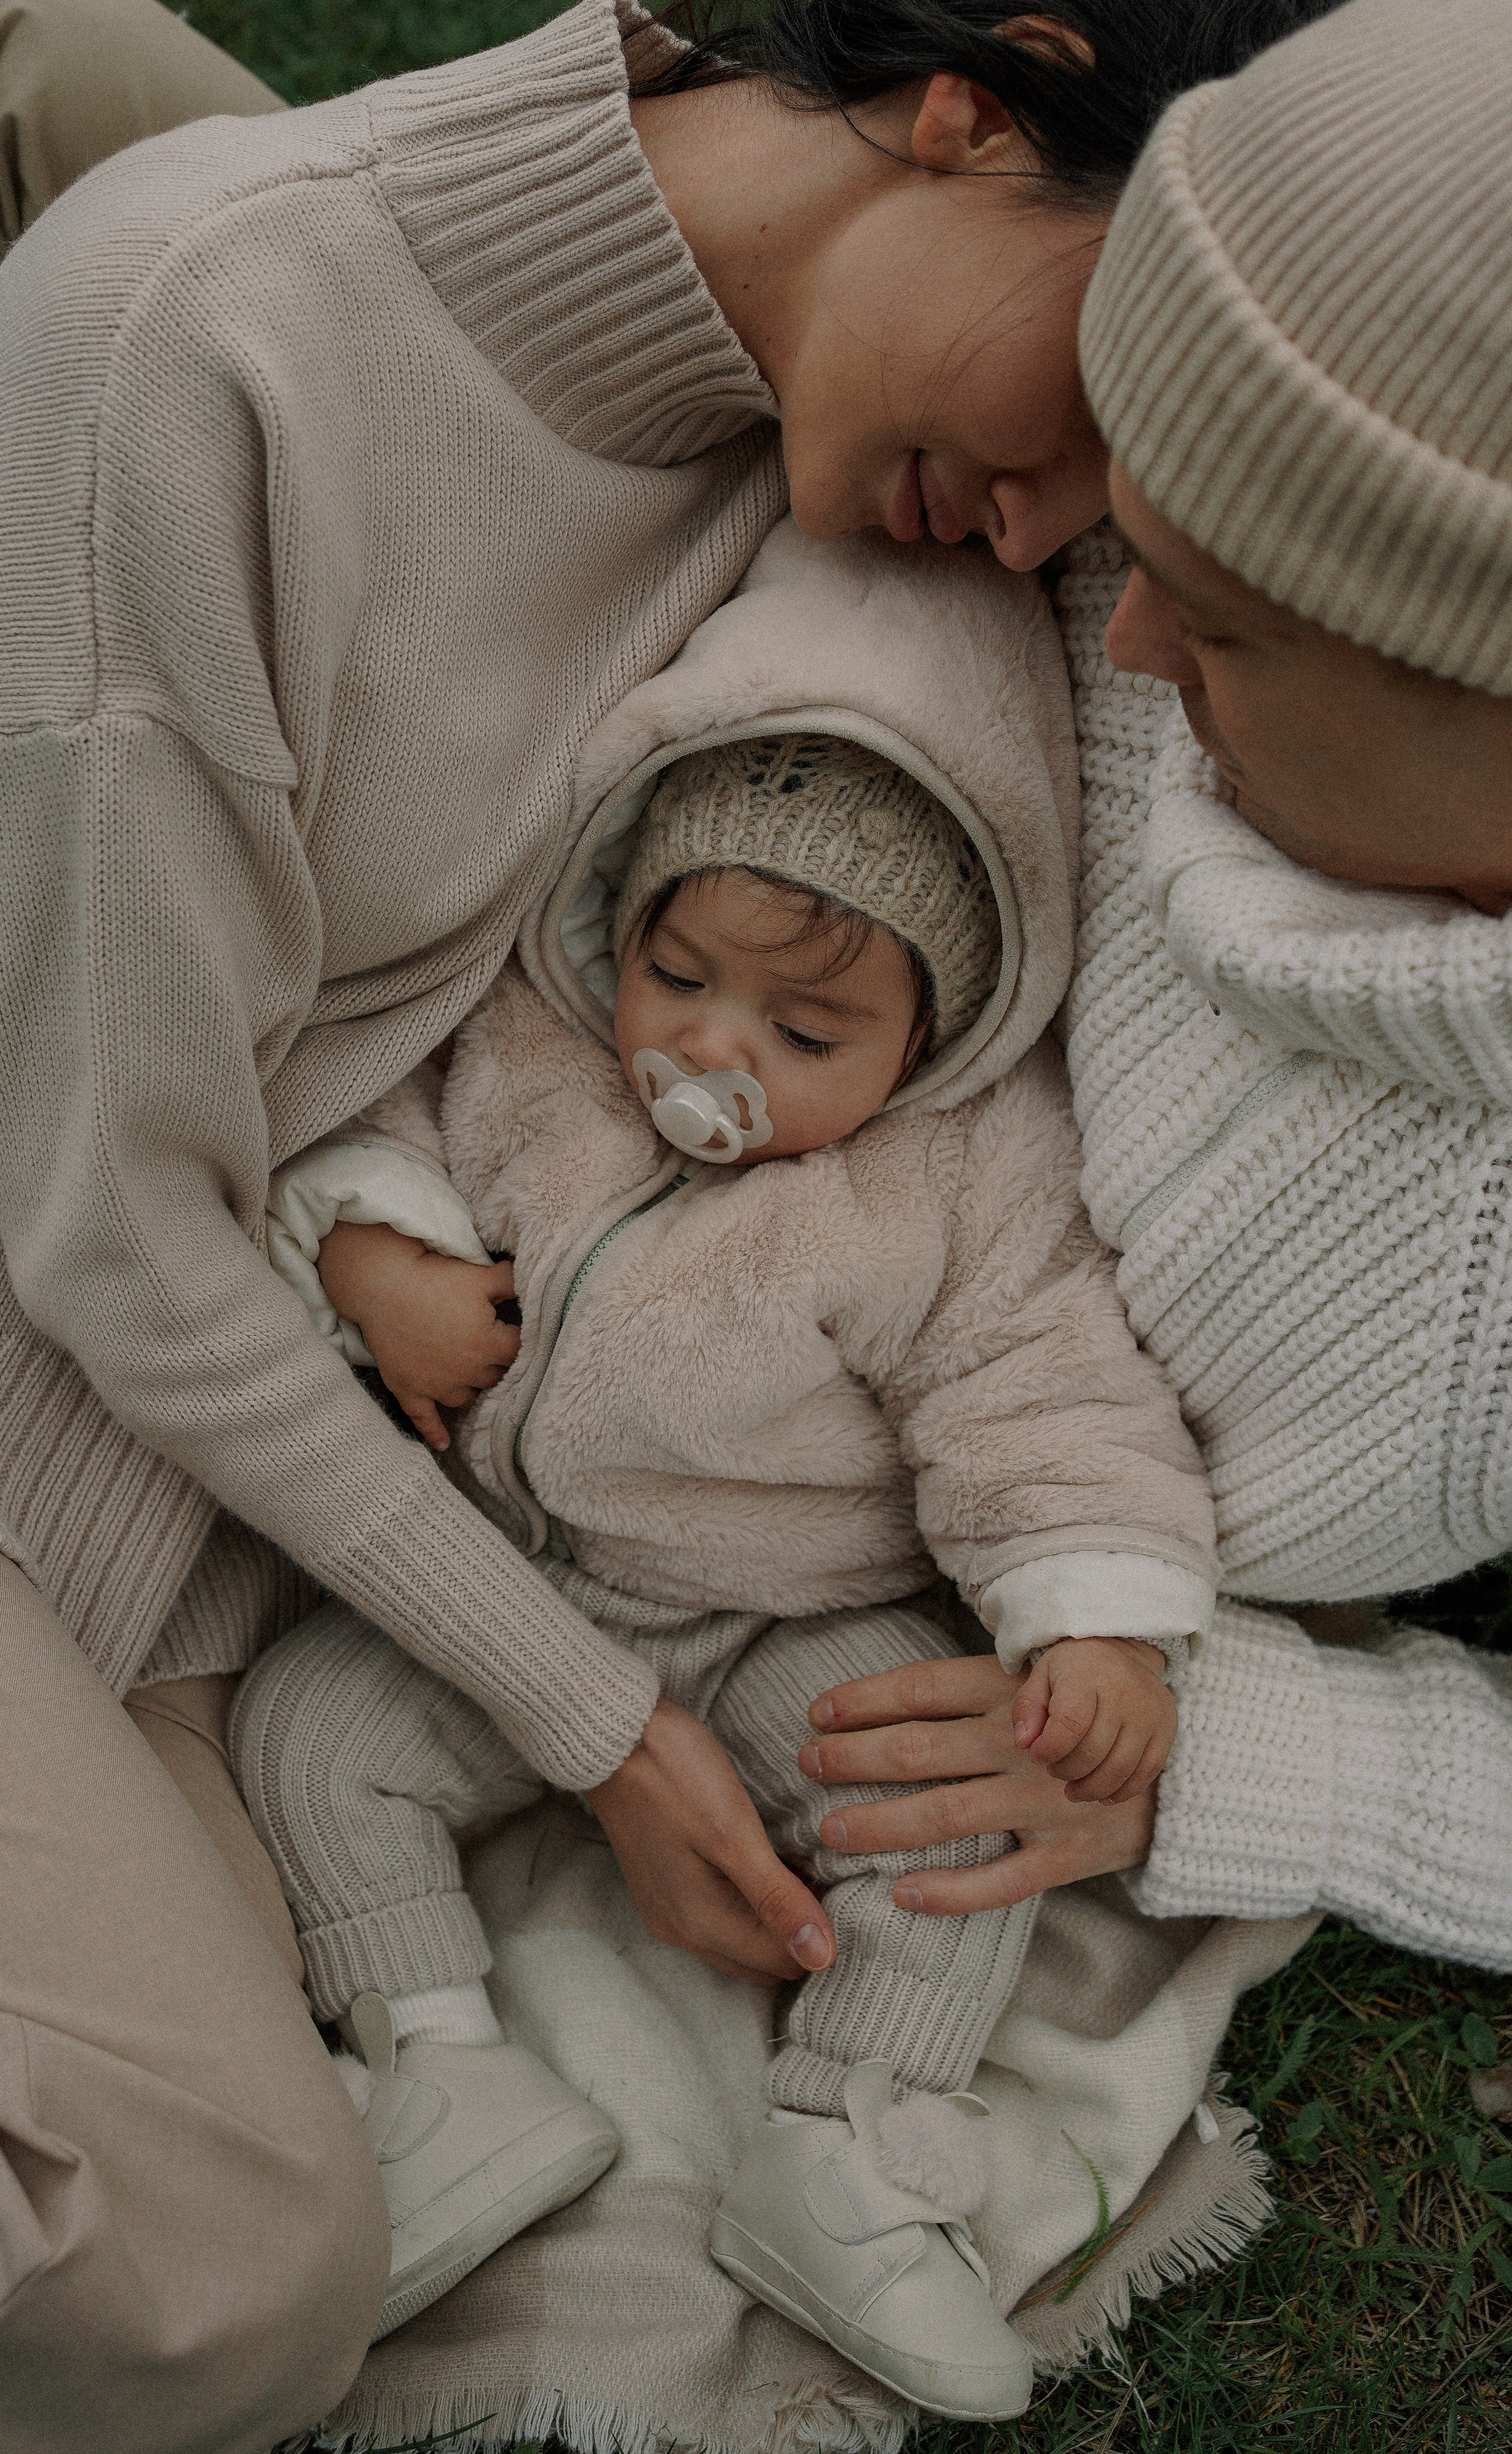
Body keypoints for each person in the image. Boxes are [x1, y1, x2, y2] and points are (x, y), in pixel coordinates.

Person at [0, 0, 1343, 2442]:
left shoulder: (769, 401)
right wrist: (607, 1731)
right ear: (980, 99)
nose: (1061, 537)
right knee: (212, 2282)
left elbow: (56, 71)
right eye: (1095, 415)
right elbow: (120, 1252)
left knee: (299, 2195)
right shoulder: (195, 362)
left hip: (201, 1470)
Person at [236, 517, 1214, 2415]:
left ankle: (844, 2143)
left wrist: (1098, 1618)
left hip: (783, 1618)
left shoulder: (951, 1175)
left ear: (933, 1021)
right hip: (507, 1592)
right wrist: (374, 1247)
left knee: (968, 1819)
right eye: (676, 972)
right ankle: (444, 2066)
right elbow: (362, 1093)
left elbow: (1047, 1393)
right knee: (302, 1730)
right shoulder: (541, 1042)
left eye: (807, 1027)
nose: (707, 1049)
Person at [801, 0, 1512, 1983]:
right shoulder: (1168, 576)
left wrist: (1257, 1743)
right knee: (75, 104)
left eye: (1217, 622)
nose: (1112, 640)